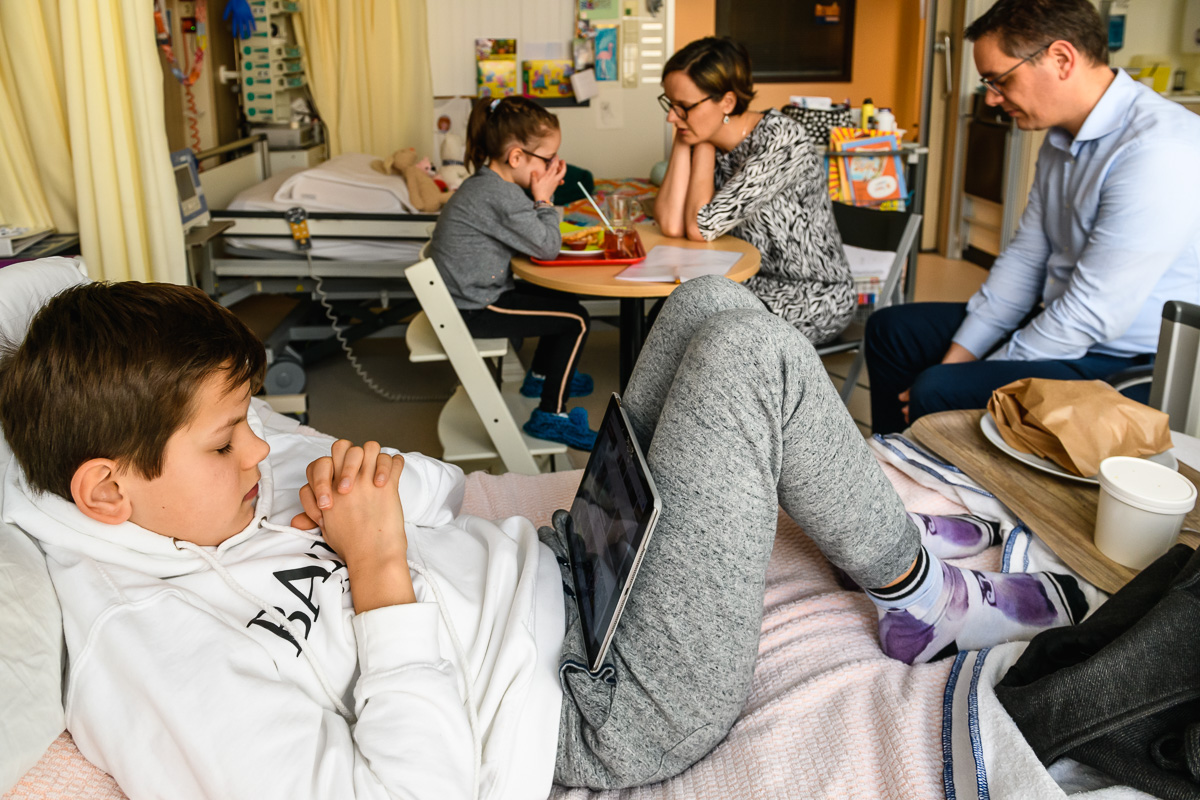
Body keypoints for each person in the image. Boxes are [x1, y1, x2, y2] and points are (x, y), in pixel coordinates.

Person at [0, 278, 1091, 797]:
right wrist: (375, 568)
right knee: (751, 360)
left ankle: (867, 516)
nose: (258, 455)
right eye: (228, 441)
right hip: (597, 702)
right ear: (105, 489)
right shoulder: (144, 646)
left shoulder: (205, 491)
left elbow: (430, 495)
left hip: (570, 566)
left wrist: (370, 486)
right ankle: (914, 588)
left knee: (708, 305)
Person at [865, 0, 1200, 434]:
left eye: (1000, 80)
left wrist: (968, 373)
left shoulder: (1157, 151)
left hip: (1133, 362)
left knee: (938, 390)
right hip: (1068, 324)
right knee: (892, 330)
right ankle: (890, 474)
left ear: (1061, 59)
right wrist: (960, 357)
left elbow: (1092, 314)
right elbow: (1025, 260)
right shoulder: (1062, 138)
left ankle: (938, 495)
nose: (990, 97)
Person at [653, 37, 856, 346]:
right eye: (670, 104)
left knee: (707, 331)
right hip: (745, 281)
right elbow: (670, 223)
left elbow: (699, 226)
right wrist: (690, 137)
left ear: (728, 102)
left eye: (683, 107)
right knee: (666, 312)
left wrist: (701, 140)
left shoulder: (781, 140)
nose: (671, 116)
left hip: (814, 292)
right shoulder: (702, 133)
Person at [429, 95, 596, 450]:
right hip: (476, 307)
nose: (554, 167)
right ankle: (551, 415)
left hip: (469, 295)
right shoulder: (500, 195)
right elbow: (547, 246)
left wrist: (538, 203)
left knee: (564, 298)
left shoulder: (489, 184)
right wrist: (545, 199)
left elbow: (531, 237)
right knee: (576, 320)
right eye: (549, 159)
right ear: (516, 157)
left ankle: (539, 377)